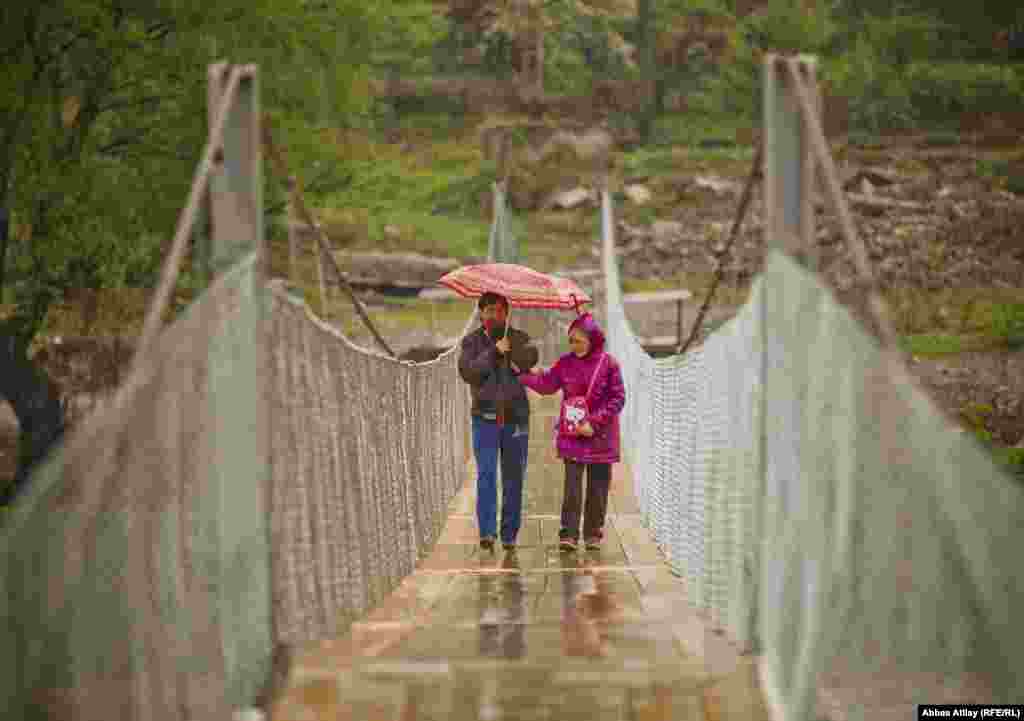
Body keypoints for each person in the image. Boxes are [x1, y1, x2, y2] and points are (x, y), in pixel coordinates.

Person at [517, 313, 625, 551]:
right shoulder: (565, 362)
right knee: (572, 487)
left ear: (591, 339)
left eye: (578, 340)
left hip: (600, 436)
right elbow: (546, 384)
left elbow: (618, 398)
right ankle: (569, 533)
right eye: (571, 341)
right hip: (573, 433)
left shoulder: (609, 364)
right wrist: (522, 376)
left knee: (598, 487)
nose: (573, 345)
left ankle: (593, 534)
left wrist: (594, 424)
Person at [458, 292, 539, 552]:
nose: (494, 315)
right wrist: (494, 352)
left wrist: (512, 352)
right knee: (487, 474)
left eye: (499, 310)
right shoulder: (470, 342)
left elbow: (531, 358)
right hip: (485, 419)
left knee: (514, 478)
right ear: (480, 313)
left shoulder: (520, 338)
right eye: (489, 310)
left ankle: (509, 535)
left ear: (507, 312)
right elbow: (468, 372)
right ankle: (487, 532)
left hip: (516, 419)